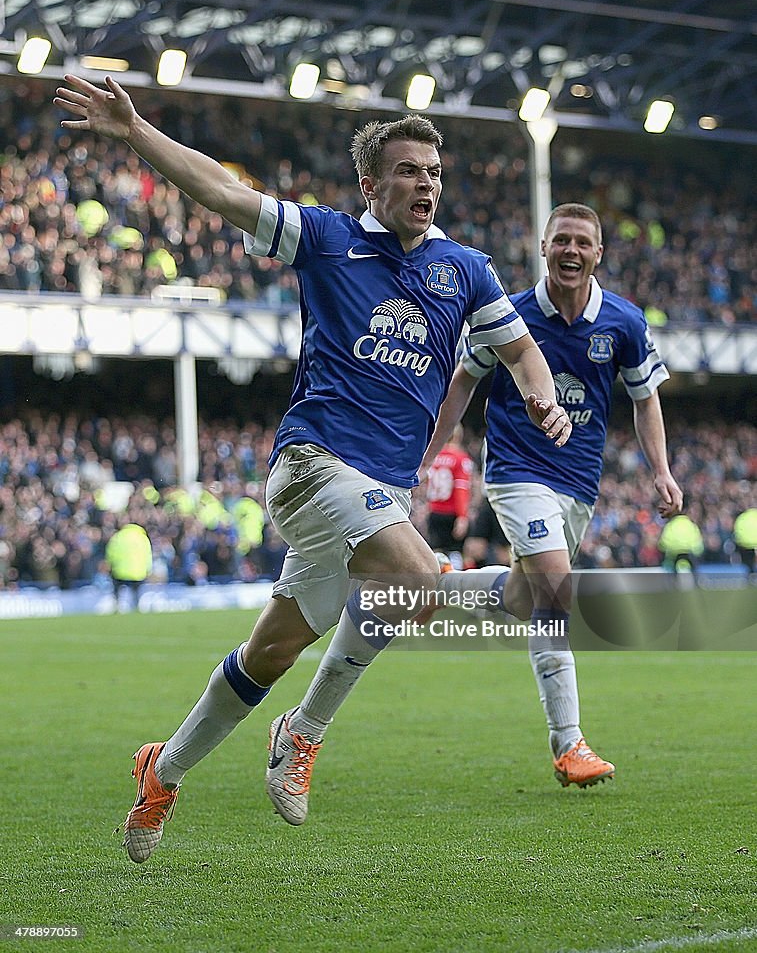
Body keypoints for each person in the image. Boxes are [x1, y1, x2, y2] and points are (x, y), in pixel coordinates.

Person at [55, 75, 572, 859]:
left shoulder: (463, 269)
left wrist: (542, 398)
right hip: (313, 466)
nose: (424, 183)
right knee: (420, 581)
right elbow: (220, 192)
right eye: (407, 170)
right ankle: (302, 732)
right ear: (371, 182)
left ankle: (163, 770)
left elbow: (521, 349)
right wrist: (135, 132)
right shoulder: (326, 238)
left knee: (270, 651)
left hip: (378, 491)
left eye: (433, 172)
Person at [422, 202, 683, 787]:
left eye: (582, 243)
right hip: (516, 472)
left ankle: (431, 586)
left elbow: (646, 399)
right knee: (555, 595)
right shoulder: (507, 315)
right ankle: (569, 745)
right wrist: (431, 453)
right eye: (560, 239)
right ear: (543, 247)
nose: (571, 251)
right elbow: (463, 381)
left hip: (578, 487)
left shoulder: (623, 322)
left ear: (598, 254)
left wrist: (661, 470)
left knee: (523, 596)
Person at [425, 424, 473, 567]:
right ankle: (454, 587)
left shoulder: (434, 457)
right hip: (451, 512)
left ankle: (435, 585)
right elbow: (460, 489)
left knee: (436, 551)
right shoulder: (460, 458)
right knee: (455, 553)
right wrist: (462, 516)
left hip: (434, 510)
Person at [104, 520, 153, 613]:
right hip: (138, 572)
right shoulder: (142, 538)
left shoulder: (118, 536)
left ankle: (117, 607)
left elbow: (110, 553)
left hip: (119, 570)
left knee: (118, 591)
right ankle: (136, 607)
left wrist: (110, 565)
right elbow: (148, 554)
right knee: (136, 593)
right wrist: (148, 569)